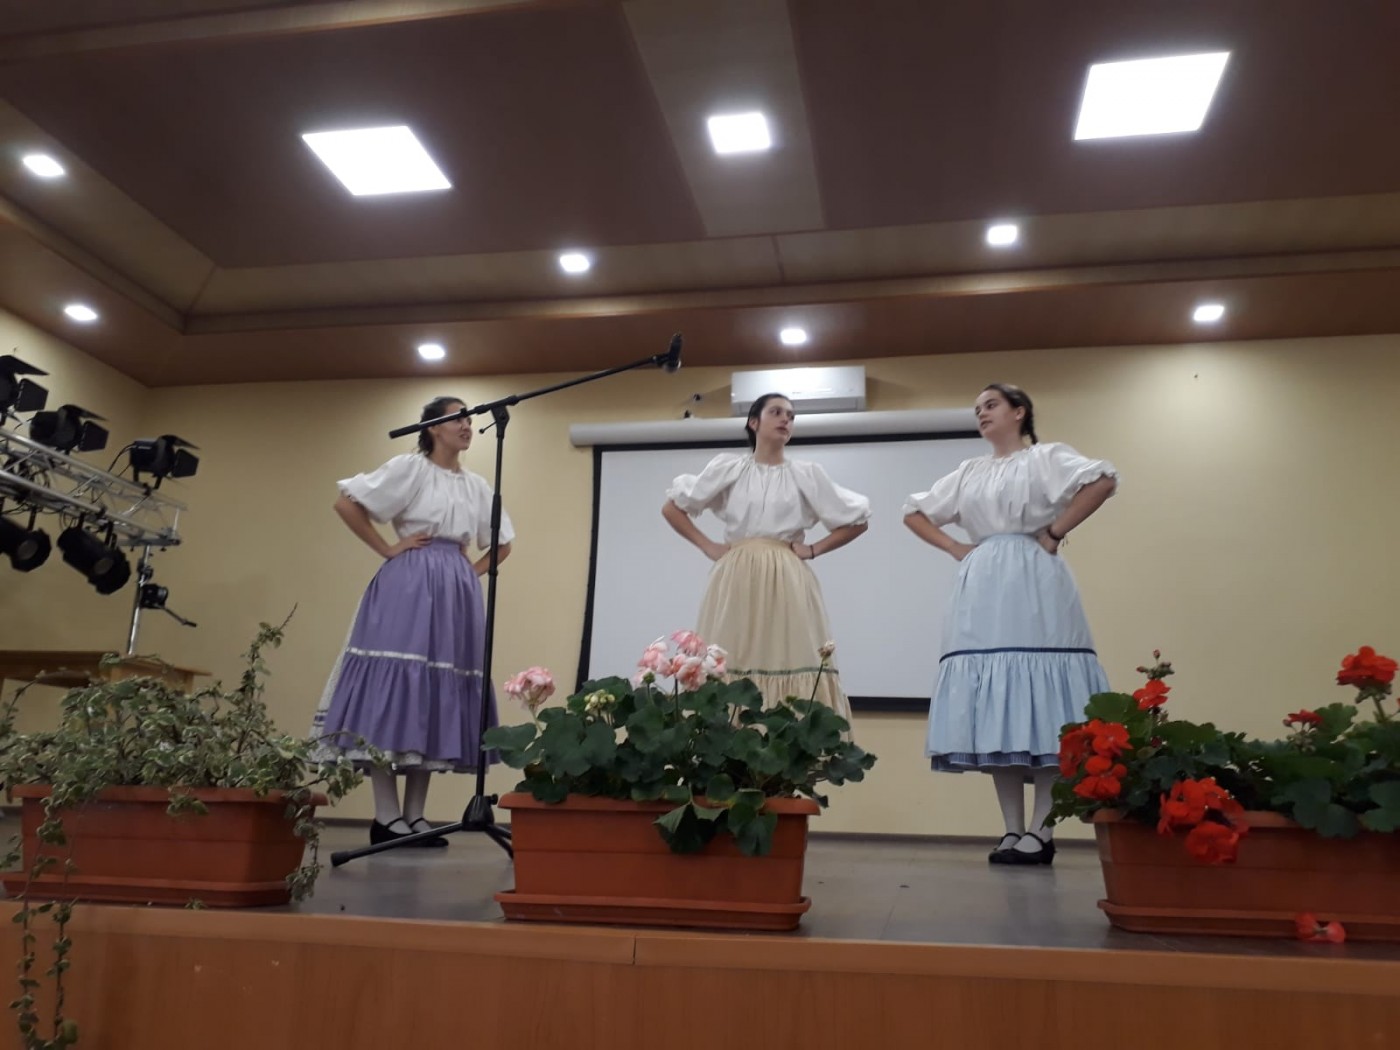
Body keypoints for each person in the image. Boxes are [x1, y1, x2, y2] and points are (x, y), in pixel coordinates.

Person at [903, 383, 1117, 866]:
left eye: (992, 405)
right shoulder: (969, 471)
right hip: (982, 585)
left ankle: (1042, 830)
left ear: (1019, 412)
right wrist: (954, 547)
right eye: (977, 408)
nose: (982, 413)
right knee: (997, 714)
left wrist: (1056, 531)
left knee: (1044, 710)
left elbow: (1103, 480)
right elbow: (913, 512)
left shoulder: (1045, 458)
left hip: (1034, 578)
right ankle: (1012, 829)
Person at [311, 395, 512, 847]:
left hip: (454, 591)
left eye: (469, 418)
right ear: (433, 428)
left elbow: (502, 543)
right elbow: (347, 503)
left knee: (434, 692)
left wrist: (466, 574)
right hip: (409, 583)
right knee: (395, 686)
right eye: (458, 417)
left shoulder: (477, 485)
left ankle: (415, 815)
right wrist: (388, 548)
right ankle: (386, 815)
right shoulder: (411, 468)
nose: (467, 424)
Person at [662, 393, 869, 722]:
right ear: (753, 422)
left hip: (786, 575)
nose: (786, 419)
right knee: (730, 653)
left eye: (791, 415)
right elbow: (672, 508)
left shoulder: (807, 474)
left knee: (789, 652)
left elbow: (857, 521)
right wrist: (707, 545)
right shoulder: (728, 468)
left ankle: (789, 738)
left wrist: (814, 549)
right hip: (737, 574)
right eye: (776, 412)